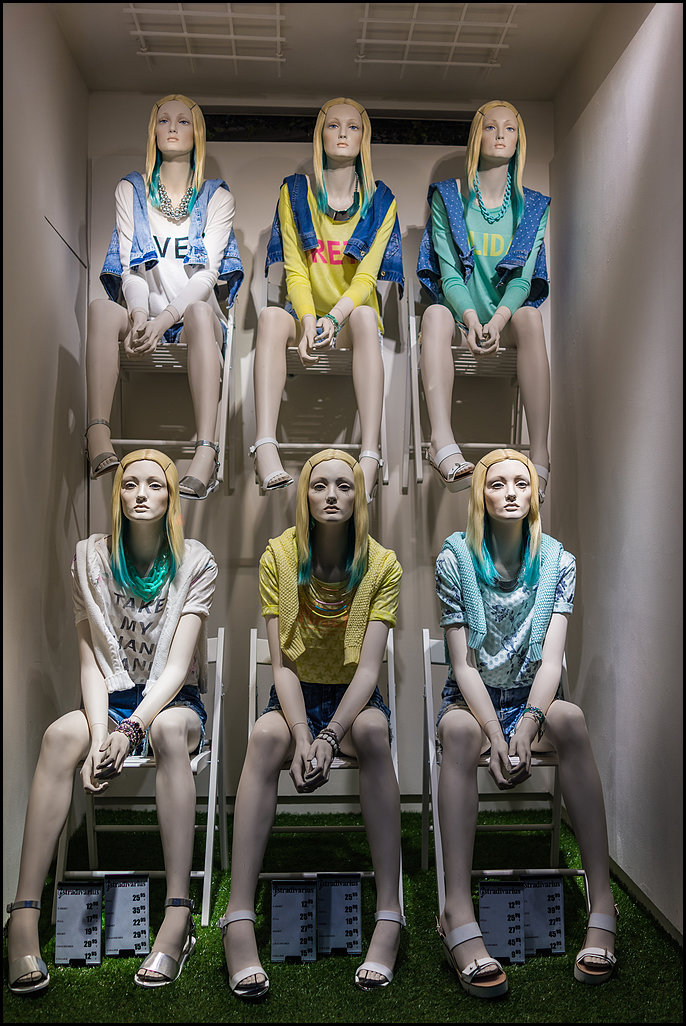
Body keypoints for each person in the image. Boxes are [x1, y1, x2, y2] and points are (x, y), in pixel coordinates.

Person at [4, 449, 217, 994]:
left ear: (172, 496)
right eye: (130, 483)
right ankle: (23, 916)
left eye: (155, 484)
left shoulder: (196, 562)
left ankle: (177, 914)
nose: (141, 493)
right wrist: (101, 735)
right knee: (59, 736)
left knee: (167, 731)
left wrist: (131, 731)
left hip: (170, 701)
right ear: (116, 493)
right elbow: (91, 660)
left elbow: (177, 669)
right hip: (113, 699)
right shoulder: (90, 559)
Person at [220, 449, 404, 999]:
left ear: (359, 496)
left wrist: (329, 735)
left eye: (344, 486)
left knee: (373, 733)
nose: (331, 495)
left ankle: (390, 912)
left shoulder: (383, 565)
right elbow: (281, 665)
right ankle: (238, 915)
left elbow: (368, 670)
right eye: (319, 484)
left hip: (352, 698)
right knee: (264, 737)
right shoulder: (279, 555)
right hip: (295, 693)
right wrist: (303, 734)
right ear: (304, 494)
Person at [433, 448, 617, 998]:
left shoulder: (558, 561)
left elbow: (552, 663)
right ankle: (456, 909)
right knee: (458, 732)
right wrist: (496, 732)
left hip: (534, 694)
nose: (511, 492)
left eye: (521, 482)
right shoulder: (455, 559)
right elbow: (464, 665)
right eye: (497, 483)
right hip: (475, 700)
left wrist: (529, 723)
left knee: (573, 719)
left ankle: (603, 903)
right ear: (480, 495)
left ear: (534, 493)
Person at [87, 94, 243, 499]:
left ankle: (206, 450)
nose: (172, 127)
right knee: (102, 309)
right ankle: (97, 433)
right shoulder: (131, 190)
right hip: (146, 315)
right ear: (153, 131)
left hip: (191, 322)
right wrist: (140, 314)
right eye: (164, 120)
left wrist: (165, 319)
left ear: (198, 132)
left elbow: (207, 274)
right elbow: (130, 266)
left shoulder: (216, 197)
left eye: (183, 121)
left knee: (198, 312)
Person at [253, 97, 404, 500]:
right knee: (270, 318)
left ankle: (370, 454)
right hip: (305, 316)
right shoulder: (295, 193)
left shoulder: (381, 201)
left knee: (366, 316)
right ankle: (264, 446)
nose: (342, 134)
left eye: (353, 126)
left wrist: (333, 319)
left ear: (364, 137)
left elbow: (366, 278)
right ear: (320, 135)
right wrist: (307, 321)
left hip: (349, 320)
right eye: (333, 125)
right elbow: (296, 270)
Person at [417, 101, 551, 500]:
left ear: (519, 140)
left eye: (510, 128)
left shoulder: (532, 206)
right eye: (491, 127)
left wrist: (496, 322)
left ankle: (540, 455)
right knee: (435, 313)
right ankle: (441, 443)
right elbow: (449, 275)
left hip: (504, 324)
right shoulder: (449, 197)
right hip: (463, 324)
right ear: (477, 135)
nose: (500, 135)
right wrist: (474, 321)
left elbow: (522, 280)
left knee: (530, 317)